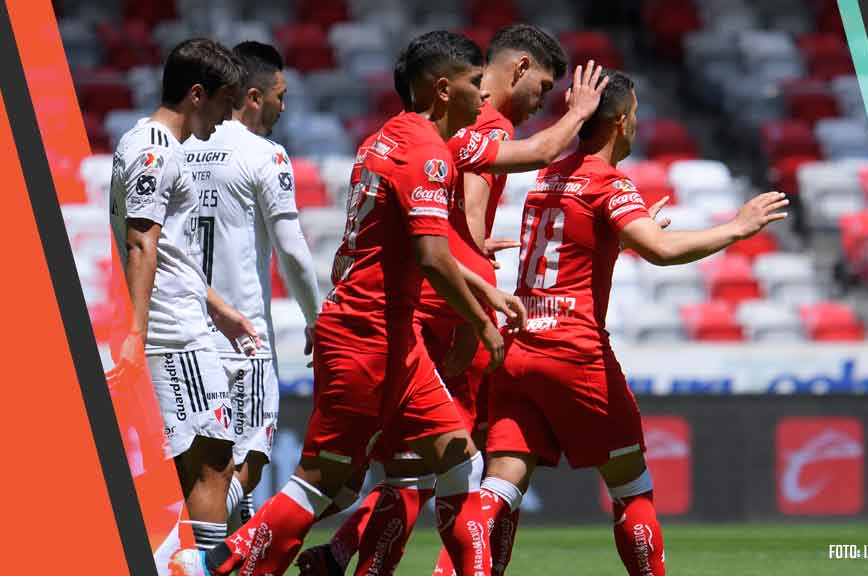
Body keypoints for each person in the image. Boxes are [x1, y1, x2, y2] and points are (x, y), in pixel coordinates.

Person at [170, 30, 526, 576]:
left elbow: (396, 247)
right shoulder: (427, 153)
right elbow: (431, 255)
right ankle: (212, 567)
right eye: (476, 83)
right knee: (318, 484)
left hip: (392, 336)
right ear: (442, 89)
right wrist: (483, 323)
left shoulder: (384, 138)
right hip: (367, 336)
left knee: (460, 462)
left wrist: (482, 289)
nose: (485, 96)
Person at [295, 26, 613, 576]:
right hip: (442, 312)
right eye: (540, 85)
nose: (541, 100)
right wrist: (476, 296)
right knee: (445, 463)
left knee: (404, 467)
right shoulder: (486, 123)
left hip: (410, 306)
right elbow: (463, 209)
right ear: (516, 69)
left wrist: (469, 249)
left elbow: (448, 213)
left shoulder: (444, 125)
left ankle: (336, 554)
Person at [480, 71, 789, 576]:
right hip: (574, 351)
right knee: (630, 485)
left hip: (519, 347)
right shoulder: (607, 181)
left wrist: (614, 240)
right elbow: (662, 251)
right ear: (622, 123)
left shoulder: (547, 178)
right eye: (638, 114)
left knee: (501, 484)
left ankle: (456, 569)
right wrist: (739, 226)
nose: (639, 123)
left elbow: (568, 252)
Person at [108, 37, 259, 552]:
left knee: (193, 468)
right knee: (213, 463)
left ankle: (176, 560)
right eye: (224, 102)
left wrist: (218, 309)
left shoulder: (152, 144)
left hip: (184, 321)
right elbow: (141, 242)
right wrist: (136, 333)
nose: (226, 117)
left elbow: (168, 248)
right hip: (172, 333)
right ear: (198, 94)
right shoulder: (153, 149)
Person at [182, 40, 320, 528]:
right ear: (255, 95)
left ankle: (215, 555)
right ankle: (183, 553)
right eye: (280, 94)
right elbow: (293, 252)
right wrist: (315, 319)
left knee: (204, 472)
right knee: (248, 465)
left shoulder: (181, 148)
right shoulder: (265, 155)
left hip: (184, 330)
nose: (285, 105)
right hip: (243, 338)